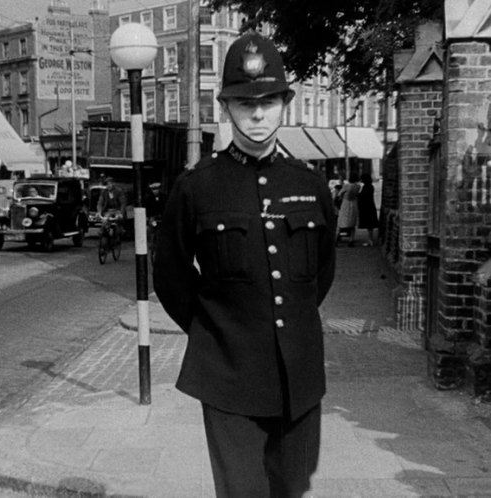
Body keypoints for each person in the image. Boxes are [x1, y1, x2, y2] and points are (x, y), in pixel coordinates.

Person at [153, 32, 336, 498]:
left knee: (292, 489)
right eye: (243, 103)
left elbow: (321, 273)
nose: (257, 115)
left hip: (299, 372)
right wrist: (217, 327)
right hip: (227, 373)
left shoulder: (309, 184)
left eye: (269, 101)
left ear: (283, 104)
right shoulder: (196, 187)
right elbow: (171, 276)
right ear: (226, 107)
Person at [336, 172, 361, 246]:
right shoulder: (358, 186)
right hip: (354, 203)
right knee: (352, 222)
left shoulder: (347, 186)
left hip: (346, 203)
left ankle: (336, 238)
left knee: (341, 221)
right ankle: (351, 240)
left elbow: (339, 194)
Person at [357, 172, 379, 246]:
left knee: (369, 224)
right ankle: (370, 239)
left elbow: (362, 196)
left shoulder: (366, 187)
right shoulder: (371, 186)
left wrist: (358, 195)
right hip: (370, 206)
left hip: (366, 207)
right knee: (370, 225)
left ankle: (370, 239)